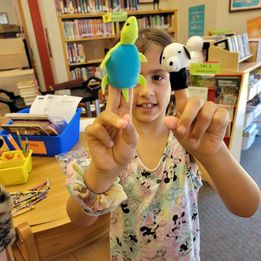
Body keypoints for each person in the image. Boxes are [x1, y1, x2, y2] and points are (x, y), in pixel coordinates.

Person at [66, 29, 260, 260]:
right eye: (135, 79)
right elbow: (79, 219)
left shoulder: (187, 141)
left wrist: (215, 153)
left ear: (174, 82)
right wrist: (101, 173)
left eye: (158, 77)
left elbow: (247, 205)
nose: (146, 91)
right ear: (115, 85)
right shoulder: (109, 142)